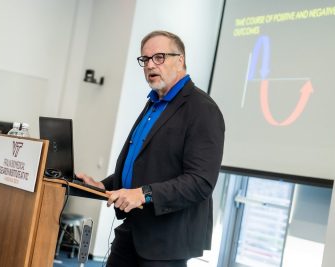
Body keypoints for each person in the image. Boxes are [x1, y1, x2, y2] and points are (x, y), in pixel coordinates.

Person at [78, 30, 225, 267]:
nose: (149, 65)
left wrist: (143, 194)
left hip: (166, 242)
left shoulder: (202, 109)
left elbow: (201, 182)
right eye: (145, 59)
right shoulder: (154, 103)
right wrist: (102, 186)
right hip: (133, 231)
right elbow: (143, 165)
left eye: (159, 57)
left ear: (181, 60)